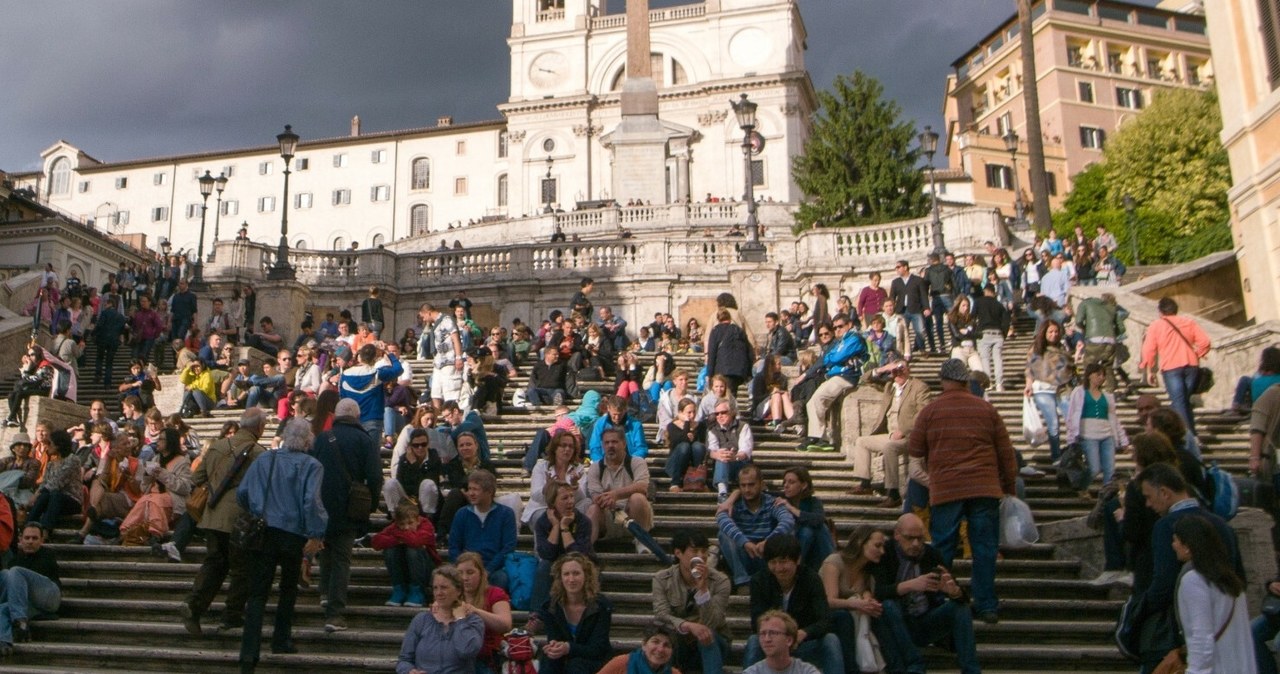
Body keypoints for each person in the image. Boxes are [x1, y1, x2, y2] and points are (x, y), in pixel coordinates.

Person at [909, 358, 1017, 624]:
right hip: (984, 487)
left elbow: (915, 451)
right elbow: (1006, 453)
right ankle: (986, 604)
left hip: (946, 488)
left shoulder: (930, 411)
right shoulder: (986, 409)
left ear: (944, 380)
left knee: (943, 547)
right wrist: (1009, 487)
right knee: (984, 548)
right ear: (966, 381)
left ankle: (942, 600)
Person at [1131, 463, 1243, 673]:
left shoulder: (1166, 526)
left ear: (1164, 493)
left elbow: (1163, 585)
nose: (1147, 504)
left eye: (1148, 496)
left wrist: (1140, 610)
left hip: (1175, 635)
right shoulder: (1223, 525)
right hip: (1225, 638)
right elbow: (1238, 579)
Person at [235, 418, 327, 672]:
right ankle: (280, 638)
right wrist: (316, 533)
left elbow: (243, 492)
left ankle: (248, 654)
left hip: (264, 531)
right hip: (292, 534)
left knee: (257, 594)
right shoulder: (312, 465)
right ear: (308, 439)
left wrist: (258, 509)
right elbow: (311, 501)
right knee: (288, 588)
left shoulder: (266, 459)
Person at [867, 513, 979, 674]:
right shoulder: (886, 553)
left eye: (920, 538)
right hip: (897, 624)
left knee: (959, 608)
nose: (915, 544)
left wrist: (954, 592)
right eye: (910, 538)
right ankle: (914, 664)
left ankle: (971, 670)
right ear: (897, 535)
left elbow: (961, 595)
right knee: (888, 605)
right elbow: (878, 591)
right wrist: (910, 585)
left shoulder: (931, 554)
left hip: (925, 620)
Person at [312, 397, 382, 633]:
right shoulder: (365, 439)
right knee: (342, 557)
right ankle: (335, 613)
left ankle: (324, 592)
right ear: (357, 416)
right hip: (350, 507)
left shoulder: (322, 438)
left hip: (322, 506)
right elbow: (374, 476)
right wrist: (370, 504)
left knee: (326, 551)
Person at [1171, 515, 1257, 674]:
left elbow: (1201, 635)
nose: (1173, 545)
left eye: (1176, 540)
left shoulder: (1193, 580)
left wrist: (1194, 671)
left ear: (1188, 545)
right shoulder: (1230, 580)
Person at [745, 534, 841, 673]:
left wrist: (804, 633)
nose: (778, 568)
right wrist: (776, 634)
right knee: (754, 641)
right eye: (773, 562)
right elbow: (756, 621)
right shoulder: (759, 581)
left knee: (831, 640)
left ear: (798, 560)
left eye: (783, 561)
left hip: (803, 643)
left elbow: (824, 619)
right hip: (772, 641)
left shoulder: (811, 579)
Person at [850, 353, 931, 508]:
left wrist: (904, 430)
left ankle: (893, 494)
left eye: (901, 369)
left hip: (910, 436)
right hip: (890, 433)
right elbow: (864, 379)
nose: (898, 373)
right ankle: (865, 483)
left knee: (890, 447)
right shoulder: (889, 386)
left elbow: (924, 415)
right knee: (862, 442)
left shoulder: (919, 387)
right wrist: (884, 369)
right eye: (895, 370)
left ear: (909, 370)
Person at [1139, 297, 1212, 458]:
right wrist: (1197, 354)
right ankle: (1191, 433)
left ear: (1160, 311)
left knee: (1178, 402)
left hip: (1171, 366)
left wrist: (1150, 369)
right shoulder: (1188, 322)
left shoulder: (1156, 325)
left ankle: (1189, 438)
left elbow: (1149, 349)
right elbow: (1205, 341)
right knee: (1184, 401)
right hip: (1191, 365)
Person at [652, 530, 731, 674]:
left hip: (714, 642)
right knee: (665, 639)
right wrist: (687, 625)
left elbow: (714, 621)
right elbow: (661, 614)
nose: (701, 556)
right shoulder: (662, 579)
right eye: (695, 551)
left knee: (707, 635)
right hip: (678, 640)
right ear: (678, 553)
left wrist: (703, 590)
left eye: (704, 551)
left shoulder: (721, 581)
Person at [820, 525, 890, 673]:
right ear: (860, 542)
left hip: (854, 619)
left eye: (883, 547)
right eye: (877, 546)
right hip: (825, 616)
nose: (882, 551)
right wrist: (856, 604)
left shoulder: (868, 574)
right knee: (844, 617)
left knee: (882, 612)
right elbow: (829, 600)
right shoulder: (834, 562)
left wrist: (869, 602)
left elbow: (867, 596)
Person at [529, 553, 613, 674]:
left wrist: (568, 648)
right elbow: (554, 638)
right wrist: (553, 647)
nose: (571, 579)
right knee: (549, 659)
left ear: (586, 576)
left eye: (576, 573)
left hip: (595, 660)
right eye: (566, 574)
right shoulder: (550, 606)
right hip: (565, 657)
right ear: (560, 578)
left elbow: (598, 649)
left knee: (576, 666)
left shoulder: (601, 606)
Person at [395, 565, 485, 674]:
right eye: (435, 588)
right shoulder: (421, 620)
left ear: (458, 591)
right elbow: (404, 660)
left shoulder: (473, 621)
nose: (438, 593)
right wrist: (410, 671)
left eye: (444, 587)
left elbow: (467, 650)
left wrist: (460, 620)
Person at [717, 463, 796, 587]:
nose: (747, 490)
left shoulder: (771, 502)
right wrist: (745, 542)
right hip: (743, 554)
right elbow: (721, 519)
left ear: (761, 484)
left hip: (766, 554)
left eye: (751, 485)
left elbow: (788, 520)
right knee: (723, 534)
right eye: (743, 485)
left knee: (790, 533)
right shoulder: (733, 504)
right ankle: (743, 582)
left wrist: (768, 542)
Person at [798, 314, 868, 452]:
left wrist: (833, 357)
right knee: (812, 402)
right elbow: (828, 358)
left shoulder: (854, 338)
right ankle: (817, 437)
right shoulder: (841, 341)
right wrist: (833, 357)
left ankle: (819, 438)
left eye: (840, 326)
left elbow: (836, 357)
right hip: (836, 375)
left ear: (849, 325)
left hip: (847, 376)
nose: (837, 330)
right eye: (835, 327)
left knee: (818, 399)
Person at [584, 428, 654, 551]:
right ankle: (586, 550)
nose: (610, 446)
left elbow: (642, 486)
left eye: (614, 442)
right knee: (593, 508)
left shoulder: (637, 462)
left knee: (638, 498)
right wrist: (606, 500)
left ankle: (641, 540)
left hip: (634, 515)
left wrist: (615, 494)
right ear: (602, 445)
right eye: (607, 443)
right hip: (608, 517)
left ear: (624, 443)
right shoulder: (595, 468)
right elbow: (595, 495)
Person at [532, 481, 594, 616]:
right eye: (565, 498)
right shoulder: (542, 522)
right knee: (544, 567)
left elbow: (578, 556)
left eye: (572, 497)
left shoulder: (583, 521)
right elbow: (546, 554)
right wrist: (555, 526)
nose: (570, 501)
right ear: (552, 502)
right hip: (555, 562)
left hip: (581, 564)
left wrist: (565, 528)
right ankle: (536, 616)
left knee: (579, 568)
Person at [448, 469, 516, 591]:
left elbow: (508, 547)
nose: (471, 493)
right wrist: (463, 568)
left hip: (493, 567)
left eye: (476, 489)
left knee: (501, 579)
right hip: (466, 566)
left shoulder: (506, 514)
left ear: (489, 492)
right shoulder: (462, 514)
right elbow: (454, 546)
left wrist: (488, 570)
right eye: (469, 489)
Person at [0, 522, 62, 655]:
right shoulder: (15, 560)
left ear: (41, 541)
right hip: (28, 605)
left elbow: (32, 585)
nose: (30, 542)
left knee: (14, 572)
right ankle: (4, 643)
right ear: (20, 540)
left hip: (50, 596)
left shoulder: (47, 555)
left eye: (34, 538)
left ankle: (21, 622)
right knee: (3, 608)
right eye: (27, 538)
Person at [1065, 362, 1130, 486]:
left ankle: (1107, 495)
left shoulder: (1108, 396)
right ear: (1089, 375)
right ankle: (1082, 486)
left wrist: (1123, 440)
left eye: (1103, 375)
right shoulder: (1079, 392)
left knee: (1110, 470)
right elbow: (1072, 416)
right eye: (1098, 374)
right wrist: (1071, 438)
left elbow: (1114, 419)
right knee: (1094, 468)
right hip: (1088, 434)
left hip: (1107, 435)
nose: (1102, 378)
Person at [371, 501, 440, 608]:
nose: (406, 527)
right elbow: (376, 542)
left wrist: (398, 536)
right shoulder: (394, 527)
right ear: (397, 523)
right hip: (404, 569)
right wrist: (399, 540)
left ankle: (417, 591)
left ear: (418, 520)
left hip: (425, 569)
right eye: (402, 524)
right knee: (390, 550)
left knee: (413, 549)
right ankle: (399, 589)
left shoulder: (426, 525)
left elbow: (415, 541)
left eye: (410, 523)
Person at [1024, 319, 1074, 462]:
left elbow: (1070, 365)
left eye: (1056, 331)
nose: (1054, 334)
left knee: (1071, 420)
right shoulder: (1036, 349)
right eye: (1050, 332)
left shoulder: (1063, 347)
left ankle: (1073, 451)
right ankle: (1056, 456)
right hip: (1042, 389)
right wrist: (1028, 385)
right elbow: (1029, 369)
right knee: (1053, 423)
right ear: (1044, 333)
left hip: (1063, 388)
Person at [524, 430, 589, 531]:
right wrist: (547, 488)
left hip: (569, 510)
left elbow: (581, 498)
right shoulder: (541, 466)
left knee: (587, 503)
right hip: (543, 508)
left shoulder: (578, 468)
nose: (567, 449)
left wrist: (574, 485)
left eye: (571, 446)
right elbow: (535, 496)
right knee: (543, 517)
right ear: (555, 448)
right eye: (563, 445)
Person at [340, 342, 403, 445]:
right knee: (372, 456)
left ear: (359, 357)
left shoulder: (345, 374)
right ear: (375, 358)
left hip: (351, 421)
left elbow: (343, 398)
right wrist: (388, 353)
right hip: (372, 420)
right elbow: (398, 369)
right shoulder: (377, 373)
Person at [25, 430, 81, 533]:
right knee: (45, 496)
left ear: (59, 445)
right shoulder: (51, 464)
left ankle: (46, 530)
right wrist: (36, 496)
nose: (47, 446)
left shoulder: (73, 460)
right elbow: (44, 483)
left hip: (71, 501)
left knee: (54, 494)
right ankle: (28, 528)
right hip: (52, 500)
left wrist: (35, 496)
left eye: (50, 443)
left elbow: (56, 484)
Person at [744, 610, 821, 674]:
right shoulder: (752, 672)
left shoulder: (807, 671)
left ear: (789, 640)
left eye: (773, 633)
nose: (767, 639)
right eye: (763, 634)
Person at [707, 399, 753, 501]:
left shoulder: (743, 426)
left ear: (732, 412)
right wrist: (718, 455)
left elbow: (745, 450)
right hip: (722, 466)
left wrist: (735, 456)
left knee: (725, 456)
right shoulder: (712, 430)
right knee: (721, 456)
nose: (719, 416)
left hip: (740, 464)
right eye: (717, 413)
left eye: (723, 412)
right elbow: (711, 450)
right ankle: (722, 492)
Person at [598, 622, 683, 674]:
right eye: (655, 642)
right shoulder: (621, 663)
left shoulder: (674, 673)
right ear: (644, 645)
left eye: (667, 645)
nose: (660, 649)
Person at [706, 308, 753, 397]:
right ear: (730, 318)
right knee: (732, 394)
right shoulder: (739, 330)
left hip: (723, 369)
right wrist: (748, 372)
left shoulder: (716, 330)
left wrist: (710, 374)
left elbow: (712, 354)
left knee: (724, 397)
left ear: (718, 319)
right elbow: (749, 351)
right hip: (739, 370)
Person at [587, 395, 648, 462]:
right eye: (614, 414)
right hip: (605, 462)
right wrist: (601, 463)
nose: (617, 418)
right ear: (608, 409)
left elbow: (641, 448)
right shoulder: (599, 424)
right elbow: (595, 447)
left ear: (625, 410)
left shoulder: (636, 425)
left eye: (620, 414)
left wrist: (630, 462)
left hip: (630, 462)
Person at [664, 398, 707, 492]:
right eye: (689, 412)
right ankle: (675, 483)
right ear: (681, 413)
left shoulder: (700, 426)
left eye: (694, 412)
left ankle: (698, 480)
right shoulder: (672, 426)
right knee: (684, 446)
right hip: (675, 464)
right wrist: (687, 423)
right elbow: (681, 442)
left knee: (698, 446)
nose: (692, 415)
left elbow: (702, 444)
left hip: (691, 463)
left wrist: (693, 438)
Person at [889, 260, 931, 354]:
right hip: (901, 310)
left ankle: (922, 349)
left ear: (905, 267)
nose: (897, 269)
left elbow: (923, 295)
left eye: (899, 267)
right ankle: (904, 351)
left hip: (916, 309)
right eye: (896, 268)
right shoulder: (896, 282)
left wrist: (926, 308)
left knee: (919, 330)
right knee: (902, 332)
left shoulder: (918, 280)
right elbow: (892, 297)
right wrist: (891, 309)